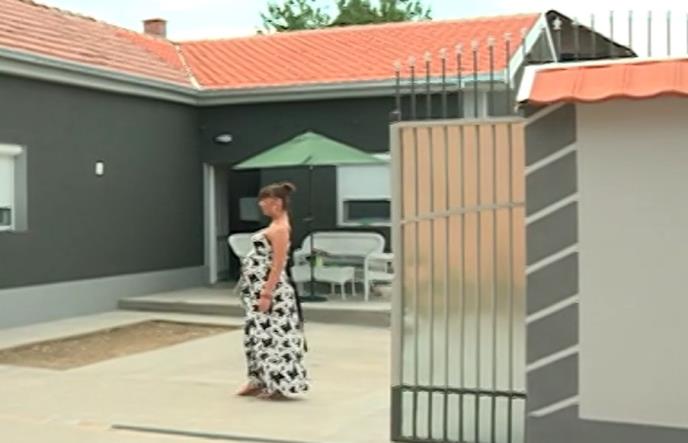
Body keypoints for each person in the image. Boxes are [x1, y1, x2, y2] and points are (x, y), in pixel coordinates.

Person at [237, 182, 309, 400]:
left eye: (265, 201)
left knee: (274, 338)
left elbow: (278, 264)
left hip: (272, 292)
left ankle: (278, 383)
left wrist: (267, 293)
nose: (261, 205)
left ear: (276, 203)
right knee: (255, 335)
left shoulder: (281, 229)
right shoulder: (274, 225)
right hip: (256, 288)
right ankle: (257, 379)